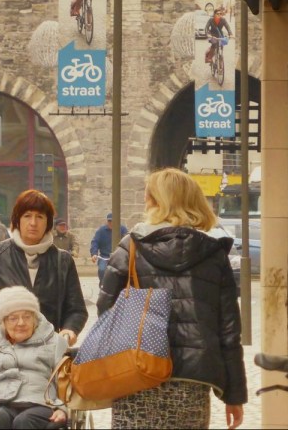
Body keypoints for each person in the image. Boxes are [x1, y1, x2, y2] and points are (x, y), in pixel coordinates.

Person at [96, 168, 247, 429]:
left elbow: (106, 310)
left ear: (156, 201)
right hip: (193, 378)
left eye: (147, 195)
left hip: (136, 373)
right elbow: (229, 330)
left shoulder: (130, 248)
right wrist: (234, 394)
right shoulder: (213, 254)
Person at [0, 189, 88, 346]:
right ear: (17, 220)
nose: (33, 223)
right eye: (27, 216)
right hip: (5, 349)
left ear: (48, 222)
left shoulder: (63, 261)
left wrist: (69, 330)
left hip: (48, 350)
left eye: (40, 217)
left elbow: (77, 309)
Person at [0, 286, 68, 429]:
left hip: (41, 404)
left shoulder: (54, 341)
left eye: (27, 316)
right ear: (2, 322)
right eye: (13, 318)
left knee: (24, 421)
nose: (21, 323)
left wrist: (62, 409)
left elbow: (65, 381)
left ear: (35, 318)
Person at [89, 213, 129, 286]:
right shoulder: (101, 230)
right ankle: (103, 284)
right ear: (107, 221)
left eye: (113, 221)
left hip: (119, 256)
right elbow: (95, 242)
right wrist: (94, 254)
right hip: (105, 256)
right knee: (102, 269)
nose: (111, 223)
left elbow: (128, 241)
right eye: (109, 221)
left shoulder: (123, 229)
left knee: (123, 271)